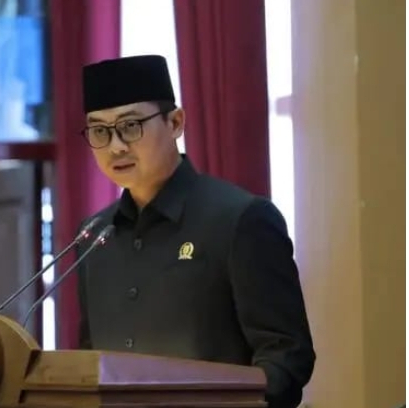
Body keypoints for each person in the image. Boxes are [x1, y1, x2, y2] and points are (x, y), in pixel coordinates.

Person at [75, 55, 315, 408]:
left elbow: (286, 357)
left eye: (130, 126)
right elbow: (89, 359)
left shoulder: (241, 220)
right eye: (100, 131)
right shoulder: (94, 235)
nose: (116, 146)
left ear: (175, 123)